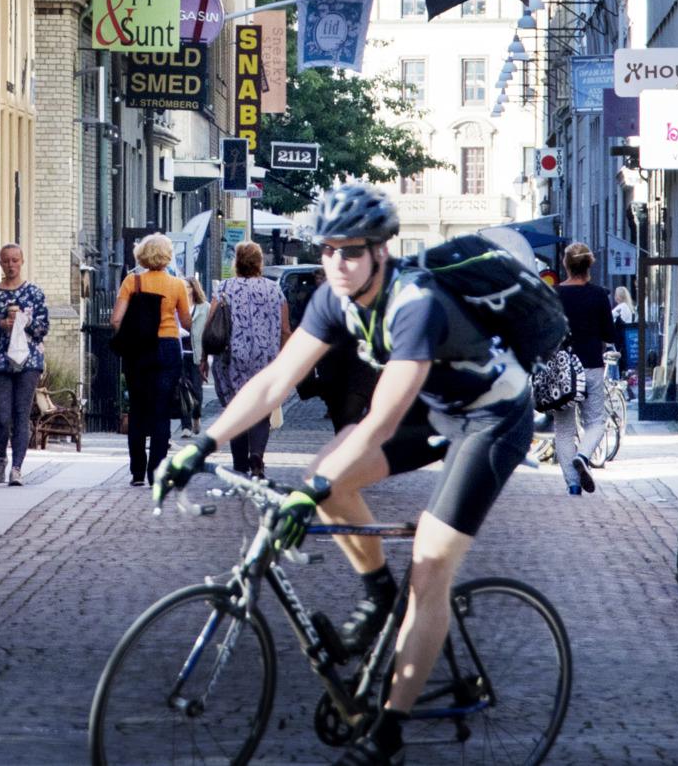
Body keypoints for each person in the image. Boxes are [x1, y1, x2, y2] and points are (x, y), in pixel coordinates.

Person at [156, 184, 533, 766]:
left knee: (430, 567)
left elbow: (380, 421)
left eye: (351, 251)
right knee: (326, 474)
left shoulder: (416, 303)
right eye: (328, 250)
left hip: (489, 418)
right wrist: (203, 442)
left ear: (381, 251)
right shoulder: (334, 298)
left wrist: (312, 493)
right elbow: (274, 381)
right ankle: (380, 594)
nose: (336, 262)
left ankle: (387, 735)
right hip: (433, 409)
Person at [109, 234, 192, 488]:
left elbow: (115, 320)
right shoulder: (177, 285)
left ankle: (136, 472)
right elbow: (187, 322)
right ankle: (156, 472)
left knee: (137, 408)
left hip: (138, 351)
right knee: (161, 411)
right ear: (168, 255)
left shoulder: (131, 282)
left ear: (142, 255)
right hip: (167, 347)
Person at [202, 241, 290, 477]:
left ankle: (240, 461)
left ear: (237, 262)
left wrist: (202, 358)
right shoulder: (274, 290)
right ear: (260, 262)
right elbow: (284, 329)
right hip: (266, 359)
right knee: (261, 408)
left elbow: (211, 324)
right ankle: (257, 456)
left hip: (232, 357)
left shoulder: (225, 288)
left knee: (235, 407)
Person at [0, 244, 48, 487]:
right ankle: (2, 456)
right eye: (6, 261)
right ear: (1, 264)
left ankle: (17, 468)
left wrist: (23, 322)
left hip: (28, 362)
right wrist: (2, 325)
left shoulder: (34, 293)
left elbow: (43, 328)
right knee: (3, 416)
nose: (11, 264)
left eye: (15, 260)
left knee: (21, 414)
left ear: (22, 261)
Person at [551, 242, 617, 496]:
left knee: (564, 429)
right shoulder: (599, 295)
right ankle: (584, 455)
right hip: (590, 365)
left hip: (562, 369)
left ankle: (573, 485)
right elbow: (609, 334)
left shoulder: (554, 295)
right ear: (589, 266)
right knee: (595, 422)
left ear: (565, 265)